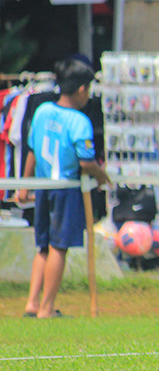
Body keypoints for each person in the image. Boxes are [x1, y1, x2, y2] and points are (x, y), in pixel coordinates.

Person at [19, 59, 110, 318]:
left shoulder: (43, 111)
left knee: (43, 247)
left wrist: (25, 184)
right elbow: (86, 161)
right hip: (65, 188)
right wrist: (102, 176)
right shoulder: (79, 121)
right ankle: (47, 308)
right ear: (82, 89)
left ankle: (32, 303)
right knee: (59, 247)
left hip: (42, 186)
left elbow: (32, 150)